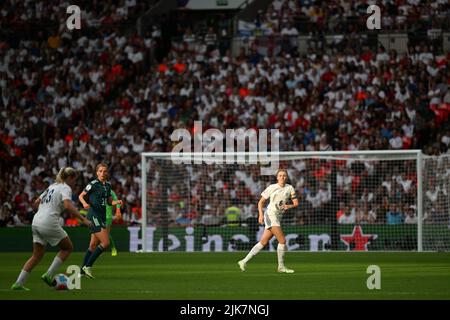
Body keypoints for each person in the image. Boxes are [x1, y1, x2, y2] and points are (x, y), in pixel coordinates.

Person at [11, 167, 92, 290]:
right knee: (68, 248)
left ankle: (18, 283)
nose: (75, 183)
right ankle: (48, 275)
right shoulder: (65, 187)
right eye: (74, 180)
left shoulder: (52, 186)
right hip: (48, 221)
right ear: (70, 178)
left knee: (36, 255)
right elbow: (68, 205)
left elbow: (36, 202)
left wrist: (44, 210)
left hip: (36, 221)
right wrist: (84, 219)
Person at [238, 169, 299, 273]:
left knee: (263, 242)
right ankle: (281, 267)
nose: (282, 177)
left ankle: (243, 261)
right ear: (277, 177)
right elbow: (260, 202)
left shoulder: (290, 188)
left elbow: (296, 203)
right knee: (282, 241)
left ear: (287, 177)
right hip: (270, 214)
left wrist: (289, 206)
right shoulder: (272, 187)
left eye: (284, 175)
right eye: (280, 175)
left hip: (278, 216)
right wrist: (260, 215)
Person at [79, 163, 123, 278]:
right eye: (100, 171)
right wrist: (84, 203)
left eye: (104, 171)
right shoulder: (93, 184)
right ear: (97, 172)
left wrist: (115, 202)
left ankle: (81, 272)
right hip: (94, 215)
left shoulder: (108, 185)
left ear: (107, 173)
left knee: (93, 245)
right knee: (106, 242)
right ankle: (88, 266)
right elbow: (81, 195)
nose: (103, 173)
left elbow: (108, 201)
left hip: (102, 216)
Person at [106, 189, 122, 256]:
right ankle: (97, 250)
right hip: (98, 215)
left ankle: (113, 248)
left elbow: (116, 200)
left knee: (106, 234)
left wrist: (118, 210)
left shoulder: (110, 191)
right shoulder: (96, 189)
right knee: (96, 234)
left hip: (107, 216)